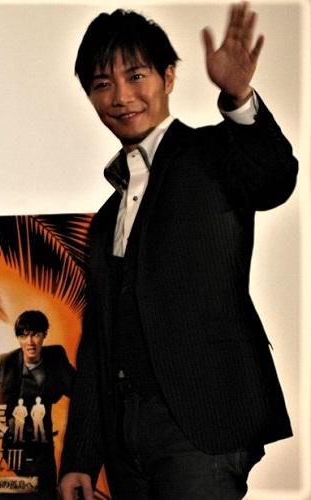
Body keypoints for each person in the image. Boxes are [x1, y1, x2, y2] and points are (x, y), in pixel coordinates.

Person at [58, 3, 298, 499]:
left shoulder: (212, 154)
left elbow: (273, 179)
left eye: (136, 75)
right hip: (124, 437)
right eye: (102, 84)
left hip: (201, 424)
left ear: (168, 77)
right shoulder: (104, 221)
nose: (121, 97)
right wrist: (80, 456)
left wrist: (239, 97)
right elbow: (99, 340)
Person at [0, 310, 76, 499]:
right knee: (41, 492)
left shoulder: (55, 357)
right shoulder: (5, 363)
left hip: (43, 442)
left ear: (44, 334)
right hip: (15, 443)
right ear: (18, 338)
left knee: (47, 494)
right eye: (24, 336)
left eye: (35, 335)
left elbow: (78, 390)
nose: (30, 342)